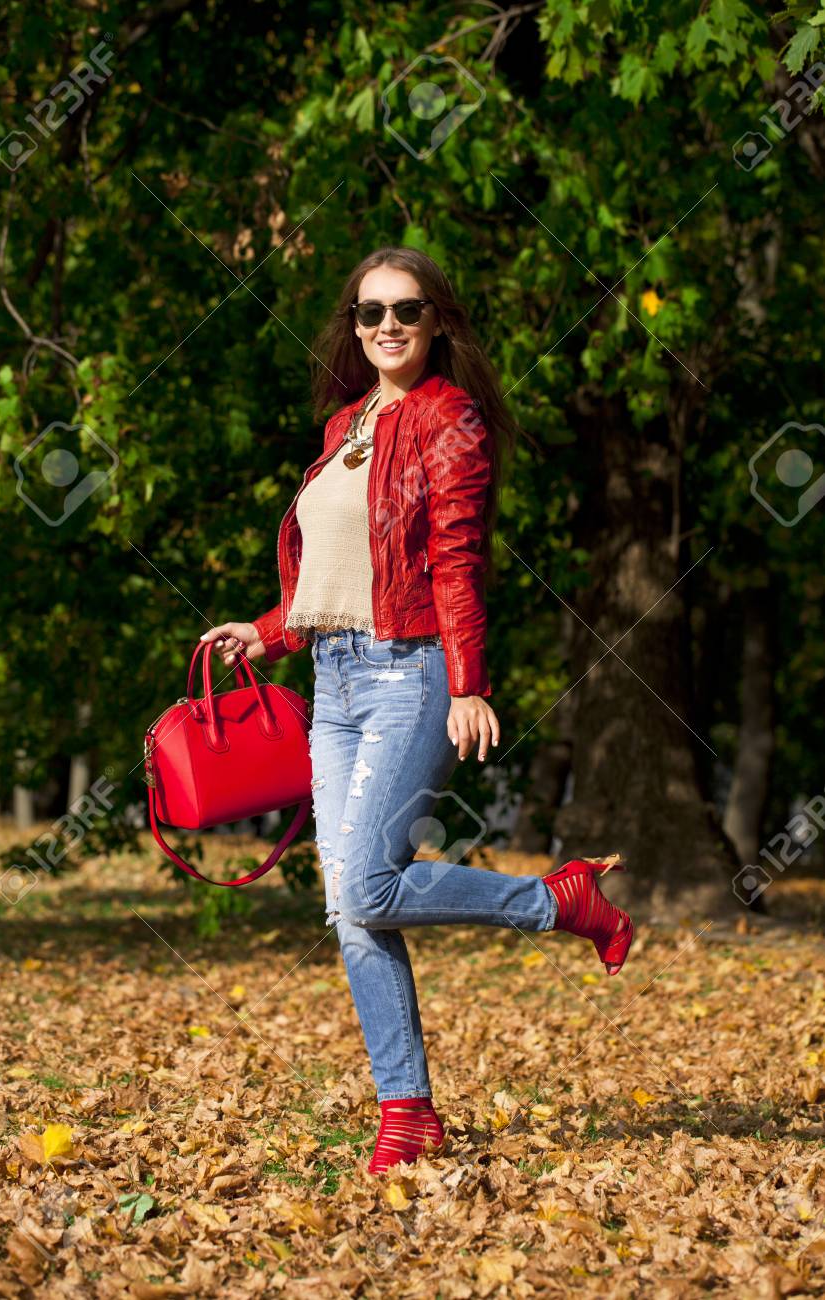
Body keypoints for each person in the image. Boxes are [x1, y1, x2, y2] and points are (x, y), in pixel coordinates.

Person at [200, 247, 634, 1175]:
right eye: (370, 313)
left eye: (407, 309)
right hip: (336, 682)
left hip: (414, 671)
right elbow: (334, 577)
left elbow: (455, 559)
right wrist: (268, 634)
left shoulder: (451, 420)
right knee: (354, 912)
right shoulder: (343, 426)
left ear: (438, 320)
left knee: (365, 884)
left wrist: (469, 679)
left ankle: (557, 903)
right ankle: (408, 1113)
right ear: (352, 328)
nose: (387, 325)